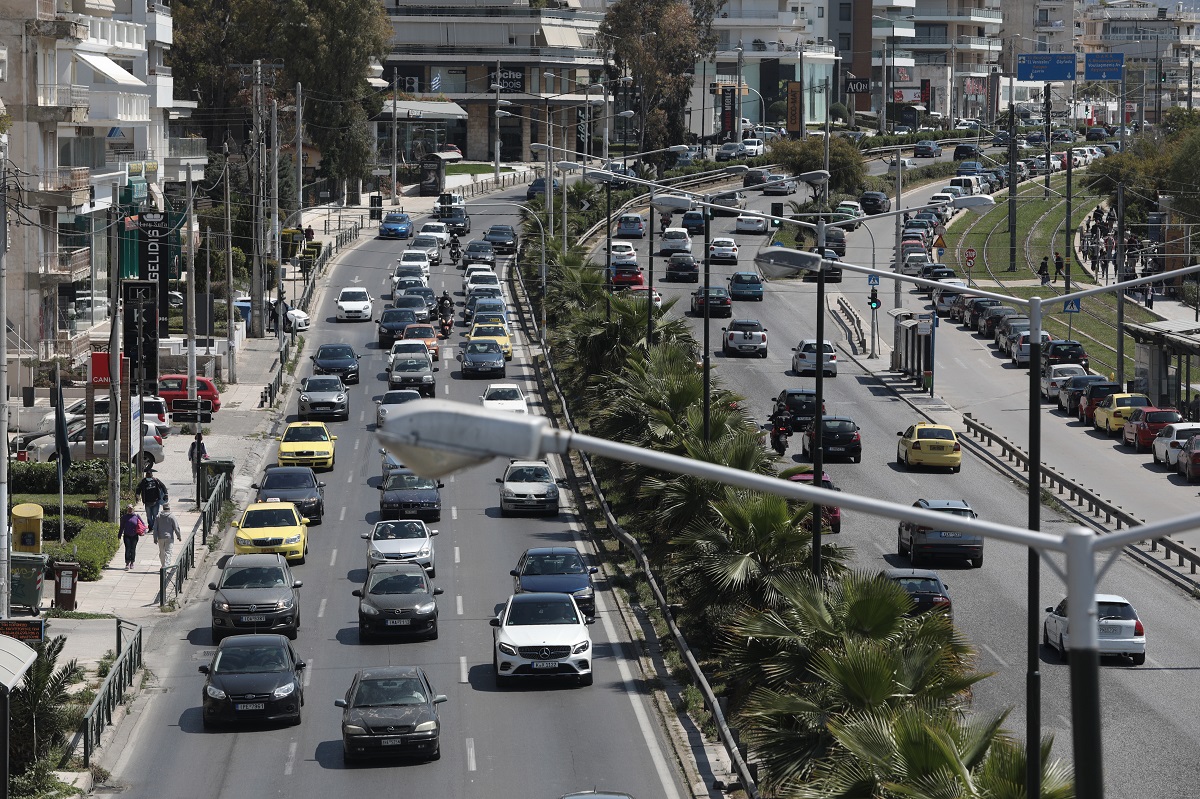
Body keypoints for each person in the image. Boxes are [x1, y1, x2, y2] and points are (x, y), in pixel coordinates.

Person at [152, 503, 182, 569]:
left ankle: (163, 565)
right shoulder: (171, 516)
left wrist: (155, 538)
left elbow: (155, 528)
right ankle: (166, 567)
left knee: (162, 552)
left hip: (160, 537)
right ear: (169, 508)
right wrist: (179, 536)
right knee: (168, 552)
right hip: (169, 537)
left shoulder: (158, 516)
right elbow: (176, 527)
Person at [119, 504, 147, 571]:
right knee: (127, 549)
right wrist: (119, 535)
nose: (130, 510)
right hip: (127, 535)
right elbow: (122, 526)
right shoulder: (125, 517)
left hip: (134, 535)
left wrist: (143, 531)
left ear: (133, 509)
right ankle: (127, 563)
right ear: (127, 509)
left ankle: (132, 562)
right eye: (129, 508)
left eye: (131, 508)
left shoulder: (136, 516)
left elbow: (142, 525)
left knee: (133, 549)